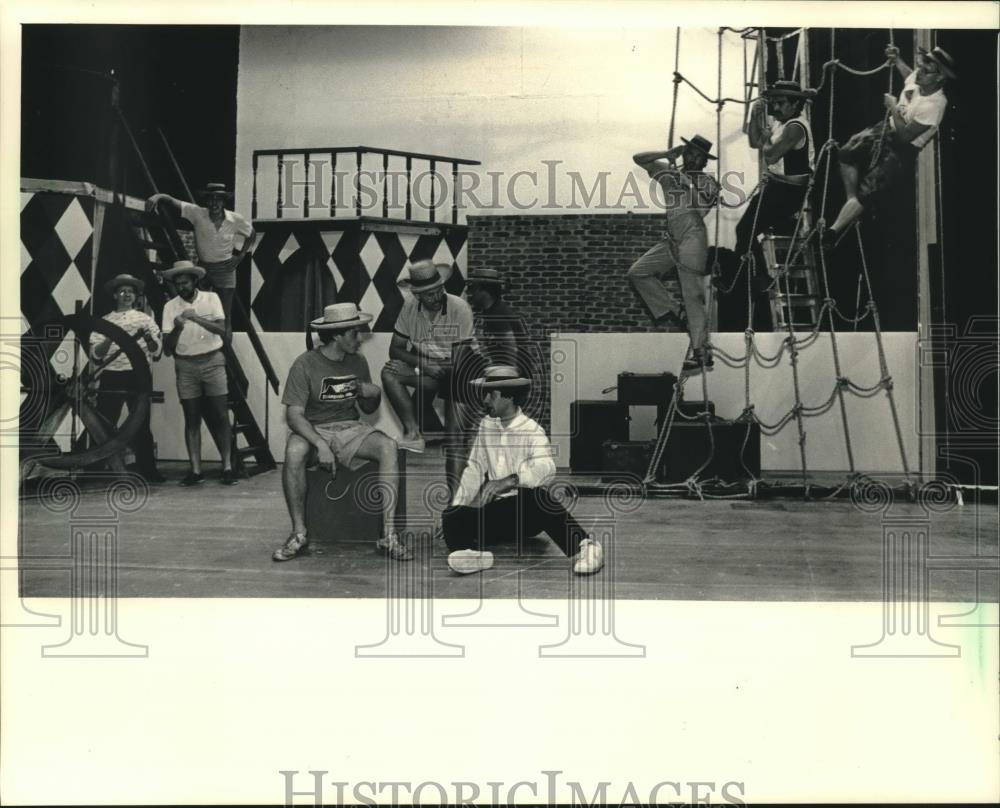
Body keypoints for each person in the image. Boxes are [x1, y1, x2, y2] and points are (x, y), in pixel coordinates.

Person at [273, 302, 410, 562]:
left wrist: (374, 393)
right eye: (354, 334)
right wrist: (320, 444)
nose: (360, 339)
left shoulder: (358, 361)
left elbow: (368, 409)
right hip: (313, 430)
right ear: (337, 335)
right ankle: (299, 533)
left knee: (388, 447)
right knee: (294, 450)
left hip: (350, 428)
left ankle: (388, 535)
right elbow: (294, 415)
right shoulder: (304, 364)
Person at [441, 365, 604, 576]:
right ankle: (471, 556)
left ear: (507, 397)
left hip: (526, 515)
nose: (485, 400)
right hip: (497, 515)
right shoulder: (486, 426)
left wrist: (511, 480)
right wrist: (458, 508)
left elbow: (547, 469)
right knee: (452, 514)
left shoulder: (532, 430)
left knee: (537, 497)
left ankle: (587, 547)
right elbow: (474, 469)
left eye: (490, 395)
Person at [824, 45, 955, 249]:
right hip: (886, 129)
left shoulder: (935, 106)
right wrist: (897, 59)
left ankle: (833, 231)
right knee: (846, 152)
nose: (918, 72)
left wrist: (893, 107)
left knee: (870, 188)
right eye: (920, 66)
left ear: (939, 78)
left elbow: (904, 137)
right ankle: (851, 202)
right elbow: (908, 76)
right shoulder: (918, 78)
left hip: (904, 147)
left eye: (925, 70)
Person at [627, 134, 720, 373]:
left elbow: (700, 208)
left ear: (704, 160)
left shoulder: (708, 182)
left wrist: (687, 182)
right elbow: (639, 159)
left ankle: (700, 351)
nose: (691, 157)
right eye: (688, 152)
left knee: (692, 295)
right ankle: (675, 310)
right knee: (638, 272)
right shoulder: (669, 174)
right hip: (673, 240)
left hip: (693, 237)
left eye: (697, 155)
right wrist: (665, 155)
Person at [382, 259, 476, 489]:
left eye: (438, 290)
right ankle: (413, 433)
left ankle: (456, 506)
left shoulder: (459, 307)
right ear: (417, 295)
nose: (436, 297)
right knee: (390, 373)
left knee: (455, 441)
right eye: (428, 294)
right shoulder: (409, 308)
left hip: (462, 372)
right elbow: (395, 349)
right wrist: (423, 365)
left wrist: (417, 367)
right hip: (432, 369)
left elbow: (459, 360)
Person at [160, 259, 238, 486]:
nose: (181, 287)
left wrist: (196, 318)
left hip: (213, 361)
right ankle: (195, 470)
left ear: (195, 281)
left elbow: (222, 330)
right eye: (178, 284)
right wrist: (178, 327)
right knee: (191, 418)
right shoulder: (170, 307)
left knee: (221, 416)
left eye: (185, 282)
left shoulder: (211, 299)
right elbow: (167, 349)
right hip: (185, 365)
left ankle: (227, 467)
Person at [146, 182, 256, 340]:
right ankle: (200, 342)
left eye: (218, 199)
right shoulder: (197, 213)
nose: (214, 203)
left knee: (225, 316)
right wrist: (158, 196)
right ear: (207, 201)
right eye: (211, 199)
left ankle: (226, 352)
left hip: (226, 270)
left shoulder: (235, 219)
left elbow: (251, 234)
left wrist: (240, 256)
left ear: (223, 201)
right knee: (199, 308)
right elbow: (172, 201)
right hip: (204, 269)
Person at [737, 80, 816, 298]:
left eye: (780, 103)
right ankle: (759, 277)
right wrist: (755, 116)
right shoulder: (780, 122)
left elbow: (770, 155)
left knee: (744, 231)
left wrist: (766, 139)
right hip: (777, 188)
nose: (776, 108)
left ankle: (760, 280)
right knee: (746, 232)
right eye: (773, 103)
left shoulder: (795, 127)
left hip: (789, 193)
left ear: (794, 105)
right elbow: (755, 143)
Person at [89, 273, 164, 483]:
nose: (126, 295)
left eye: (130, 291)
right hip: (112, 374)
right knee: (104, 423)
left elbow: (156, 351)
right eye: (122, 291)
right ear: (115, 295)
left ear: (136, 296)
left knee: (141, 423)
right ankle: (95, 469)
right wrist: (111, 337)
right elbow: (96, 354)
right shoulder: (104, 321)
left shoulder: (145, 319)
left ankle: (149, 470)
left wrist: (149, 338)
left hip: (138, 376)